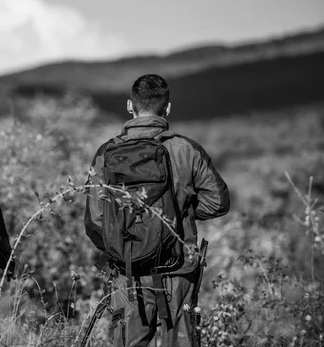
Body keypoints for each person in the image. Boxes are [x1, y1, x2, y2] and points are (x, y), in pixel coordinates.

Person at [84, 74, 230, 347]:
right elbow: (219, 202)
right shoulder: (187, 150)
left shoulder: (107, 153)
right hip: (178, 268)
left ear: (130, 106)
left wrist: (122, 247)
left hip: (128, 273)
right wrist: (179, 213)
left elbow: (95, 221)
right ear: (168, 108)